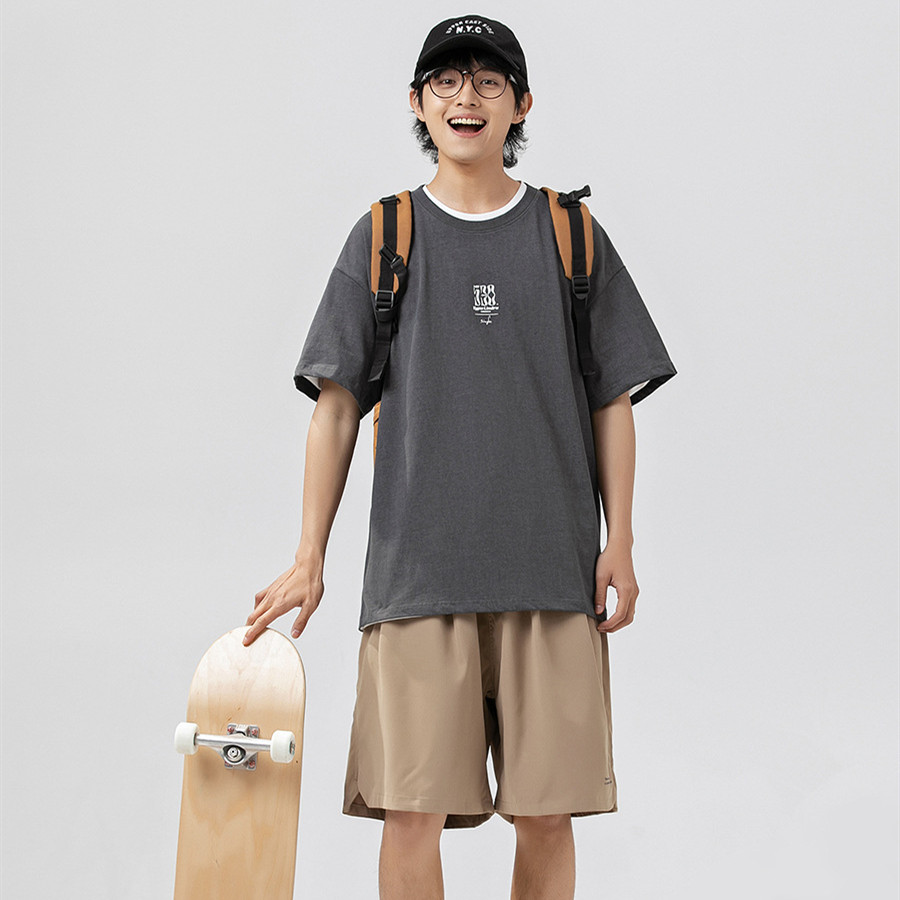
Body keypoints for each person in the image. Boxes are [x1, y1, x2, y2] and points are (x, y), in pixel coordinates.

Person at [245, 14, 677, 899]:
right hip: (417, 580)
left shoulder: (569, 233)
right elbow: (336, 406)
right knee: (412, 814)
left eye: (487, 81)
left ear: (522, 104)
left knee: (547, 815)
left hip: (550, 574)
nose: (466, 98)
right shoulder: (386, 234)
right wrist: (309, 554)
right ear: (417, 102)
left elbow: (611, 399)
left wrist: (621, 541)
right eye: (446, 81)